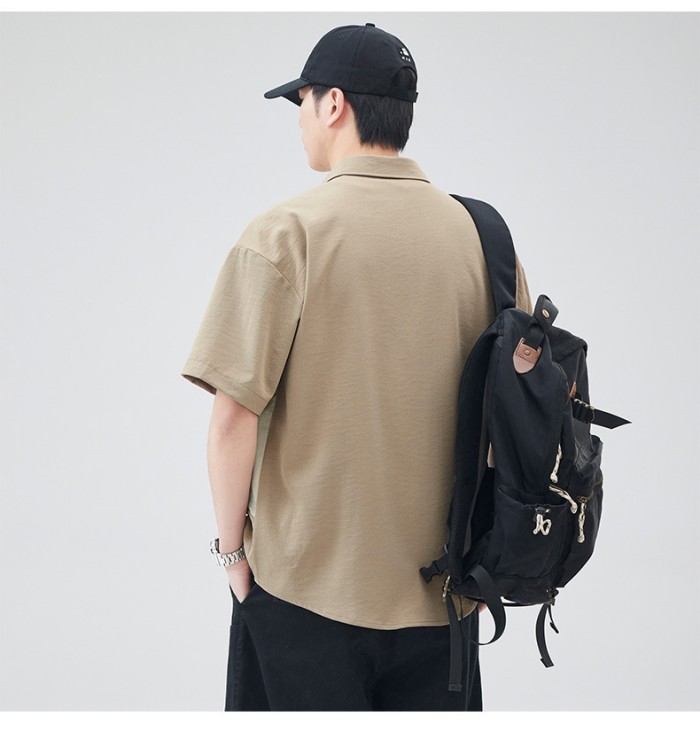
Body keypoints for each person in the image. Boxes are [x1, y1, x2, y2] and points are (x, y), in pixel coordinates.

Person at [181, 22, 531, 711]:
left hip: (302, 597)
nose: (301, 120)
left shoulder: (286, 236)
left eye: (303, 101)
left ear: (334, 103)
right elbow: (522, 411)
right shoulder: (486, 242)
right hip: (446, 600)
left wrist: (232, 555)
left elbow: (231, 420)